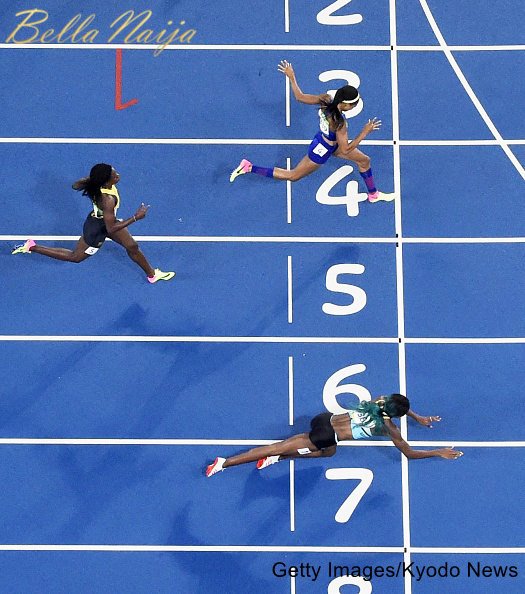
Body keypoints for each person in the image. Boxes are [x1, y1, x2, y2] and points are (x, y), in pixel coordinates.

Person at [230, 60, 396, 204]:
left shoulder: (326, 99)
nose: (355, 105)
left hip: (329, 141)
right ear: (346, 105)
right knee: (293, 175)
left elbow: (300, 97)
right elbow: (346, 149)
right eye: (354, 104)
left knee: (364, 160)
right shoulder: (339, 123)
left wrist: (292, 77)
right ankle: (249, 167)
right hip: (323, 149)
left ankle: (373, 194)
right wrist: (365, 132)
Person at [205, 394, 463, 477]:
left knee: (329, 453)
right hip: (325, 433)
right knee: (276, 447)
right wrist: (438, 452)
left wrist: (418, 417)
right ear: (396, 415)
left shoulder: (379, 400)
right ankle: (223, 463)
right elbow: (409, 454)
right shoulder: (388, 429)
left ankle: (278, 459)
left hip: (324, 417)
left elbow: (397, 407)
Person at [12, 163, 175, 283]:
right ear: (106, 181)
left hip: (106, 220)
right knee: (75, 257)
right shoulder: (108, 199)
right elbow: (110, 228)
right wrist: (135, 217)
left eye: (115, 171)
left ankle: (152, 275)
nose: (117, 174)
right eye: (114, 174)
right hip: (97, 229)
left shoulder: (99, 184)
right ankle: (32, 246)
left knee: (132, 246)